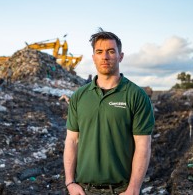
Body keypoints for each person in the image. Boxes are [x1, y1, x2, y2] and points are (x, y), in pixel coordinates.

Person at [64, 28, 155, 195]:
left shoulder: (136, 95)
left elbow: (143, 145)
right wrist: (70, 182)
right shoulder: (79, 96)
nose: (105, 57)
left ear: (120, 56)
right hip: (84, 190)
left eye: (111, 51)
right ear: (93, 58)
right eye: (99, 52)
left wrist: (133, 189)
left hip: (121, 190)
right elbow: (72, 141)